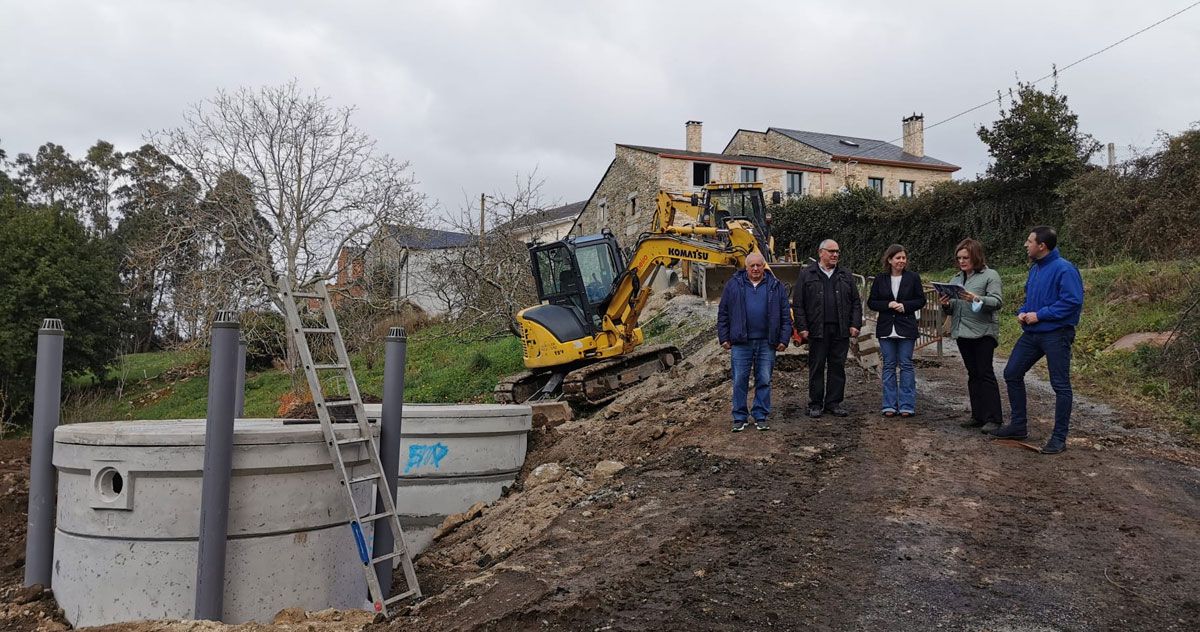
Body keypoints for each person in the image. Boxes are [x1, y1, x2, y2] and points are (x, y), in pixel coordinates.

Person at [990, 226, 1084, 455]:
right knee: (1012, 372)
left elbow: (1072, 302)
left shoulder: (1065, 269)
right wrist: (1023, 312)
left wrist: (1040, 315)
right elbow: (1030, 299)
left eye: (1029, 241)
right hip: (1032, 334)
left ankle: (1059, 437)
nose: (1026, 244)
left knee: (1060, 385)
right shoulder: (1035, 269)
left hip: (1056, 334)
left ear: (1042, 246)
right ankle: (1018, 425)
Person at [717, 252, 792, 432]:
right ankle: (740, 417)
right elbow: (723, 313)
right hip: (741, 343)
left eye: (759, 265)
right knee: (739, 380)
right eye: (752, 266)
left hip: (767, 342)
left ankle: (760, 415)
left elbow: (785, 315)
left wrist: (784, 339)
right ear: (746, 267)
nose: (756, 269)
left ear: (764, 266)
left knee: (764, 379)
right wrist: (724, 337)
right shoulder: (733, 285)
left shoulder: (776, 286)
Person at [938, 238, 1004, 431]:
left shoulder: (990, 275)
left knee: (985, 373)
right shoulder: (956, 279)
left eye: (966, 257)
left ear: (975, 256)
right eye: (959, 258)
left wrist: (976, 298)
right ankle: (978, 415)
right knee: (973, 374)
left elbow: (997, 301)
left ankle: (994, 418)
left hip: (983, 332)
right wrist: (946, 304)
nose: (962, 261)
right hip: (963, 333)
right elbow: (953, 309)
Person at [792, 239, 862, 418]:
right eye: (831, 251)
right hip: (816, 330)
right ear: (820, 252)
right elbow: (798, 304)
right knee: (817, 367)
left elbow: (855, 302)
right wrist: (802, 327)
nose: (835, 254)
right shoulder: (807, 274)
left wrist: (855, 324)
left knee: (837, 366)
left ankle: (833, 402)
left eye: (837, 251)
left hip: (840, 329)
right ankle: (815, 403)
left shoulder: (845, 275)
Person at [867, 244, 926, 418]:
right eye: (898, 258)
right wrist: (888, 304)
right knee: (889, 365)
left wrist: (905, 306)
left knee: (906, 365)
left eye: (903, 258)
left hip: (906, 327)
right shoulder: (880, 279)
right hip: (886, 327)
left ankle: (907, 405)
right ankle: (889, 405)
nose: (901, 261)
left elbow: (921, 300)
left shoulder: (913, 278)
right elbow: (872, 302)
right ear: (890, 260)